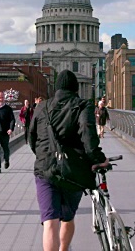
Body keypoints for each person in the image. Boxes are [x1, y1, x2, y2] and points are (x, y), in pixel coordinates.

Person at [29, 70, 109, 251]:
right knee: (67, 217)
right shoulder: (83, 105)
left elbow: (31, 138)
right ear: (75, 88)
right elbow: (88, 137)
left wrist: (44, 156)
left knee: (49, 223)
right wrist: (98, 159)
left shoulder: (41, 107)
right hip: (74, 170)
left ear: (56, 87)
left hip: (45, 170)